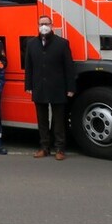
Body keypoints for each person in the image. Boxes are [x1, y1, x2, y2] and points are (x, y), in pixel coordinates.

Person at [24, 15, 76, 160]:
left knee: (59, 120)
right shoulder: (31, 43)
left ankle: (60, 148)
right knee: (42, 120)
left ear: (52, 25)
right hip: (39, 87)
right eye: (41, 24)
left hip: (58, 87)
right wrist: (28, 85)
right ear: (38, 26)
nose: (44, 26)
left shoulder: (62, 43)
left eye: (46, 23)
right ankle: (44, 147)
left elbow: (69, 67)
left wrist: (70, 87)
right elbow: (29, 66)